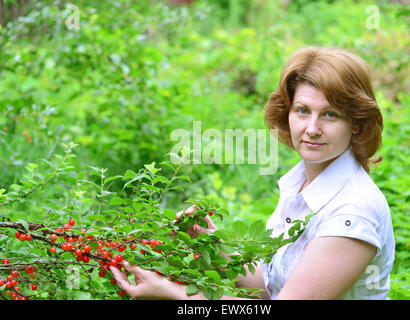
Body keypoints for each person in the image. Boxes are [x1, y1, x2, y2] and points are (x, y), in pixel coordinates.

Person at [110, 46, 395, 300]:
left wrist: (175, 296)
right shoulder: (304, 185)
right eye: (303, 110)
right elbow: (270, 288)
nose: (312, 128)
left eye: (330, 114)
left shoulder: (354, 212)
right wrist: (213, 245)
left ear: (356, 124)